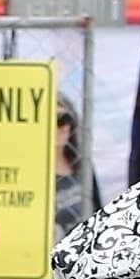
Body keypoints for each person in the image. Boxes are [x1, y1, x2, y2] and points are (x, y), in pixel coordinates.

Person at [53, 96, 101, 243]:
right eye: (57, 120)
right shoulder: (35, 175)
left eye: (67, 119)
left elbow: (99, 209)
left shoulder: (82, 166)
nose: (64, 127)